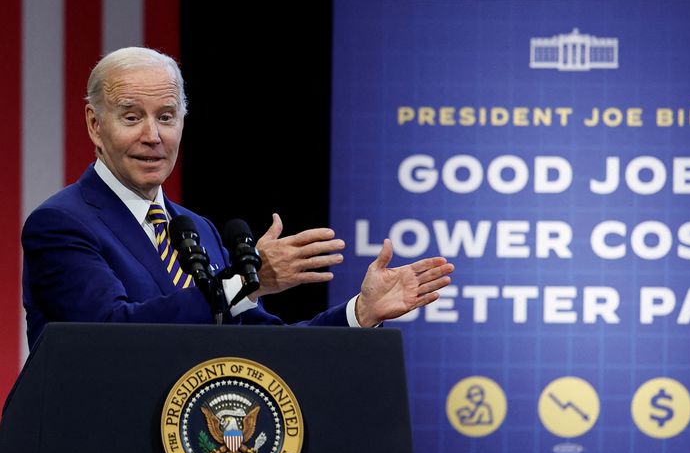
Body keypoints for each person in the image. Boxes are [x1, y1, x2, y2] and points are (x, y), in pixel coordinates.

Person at [21, 47, 454, 349]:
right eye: (132, 117)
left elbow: (263, 345)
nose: (152, 136)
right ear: (96, 125)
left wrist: (360, 313)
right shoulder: (61, 224)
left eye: (166, 117)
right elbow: (108, 333)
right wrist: (251, 281)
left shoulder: (196, 229)